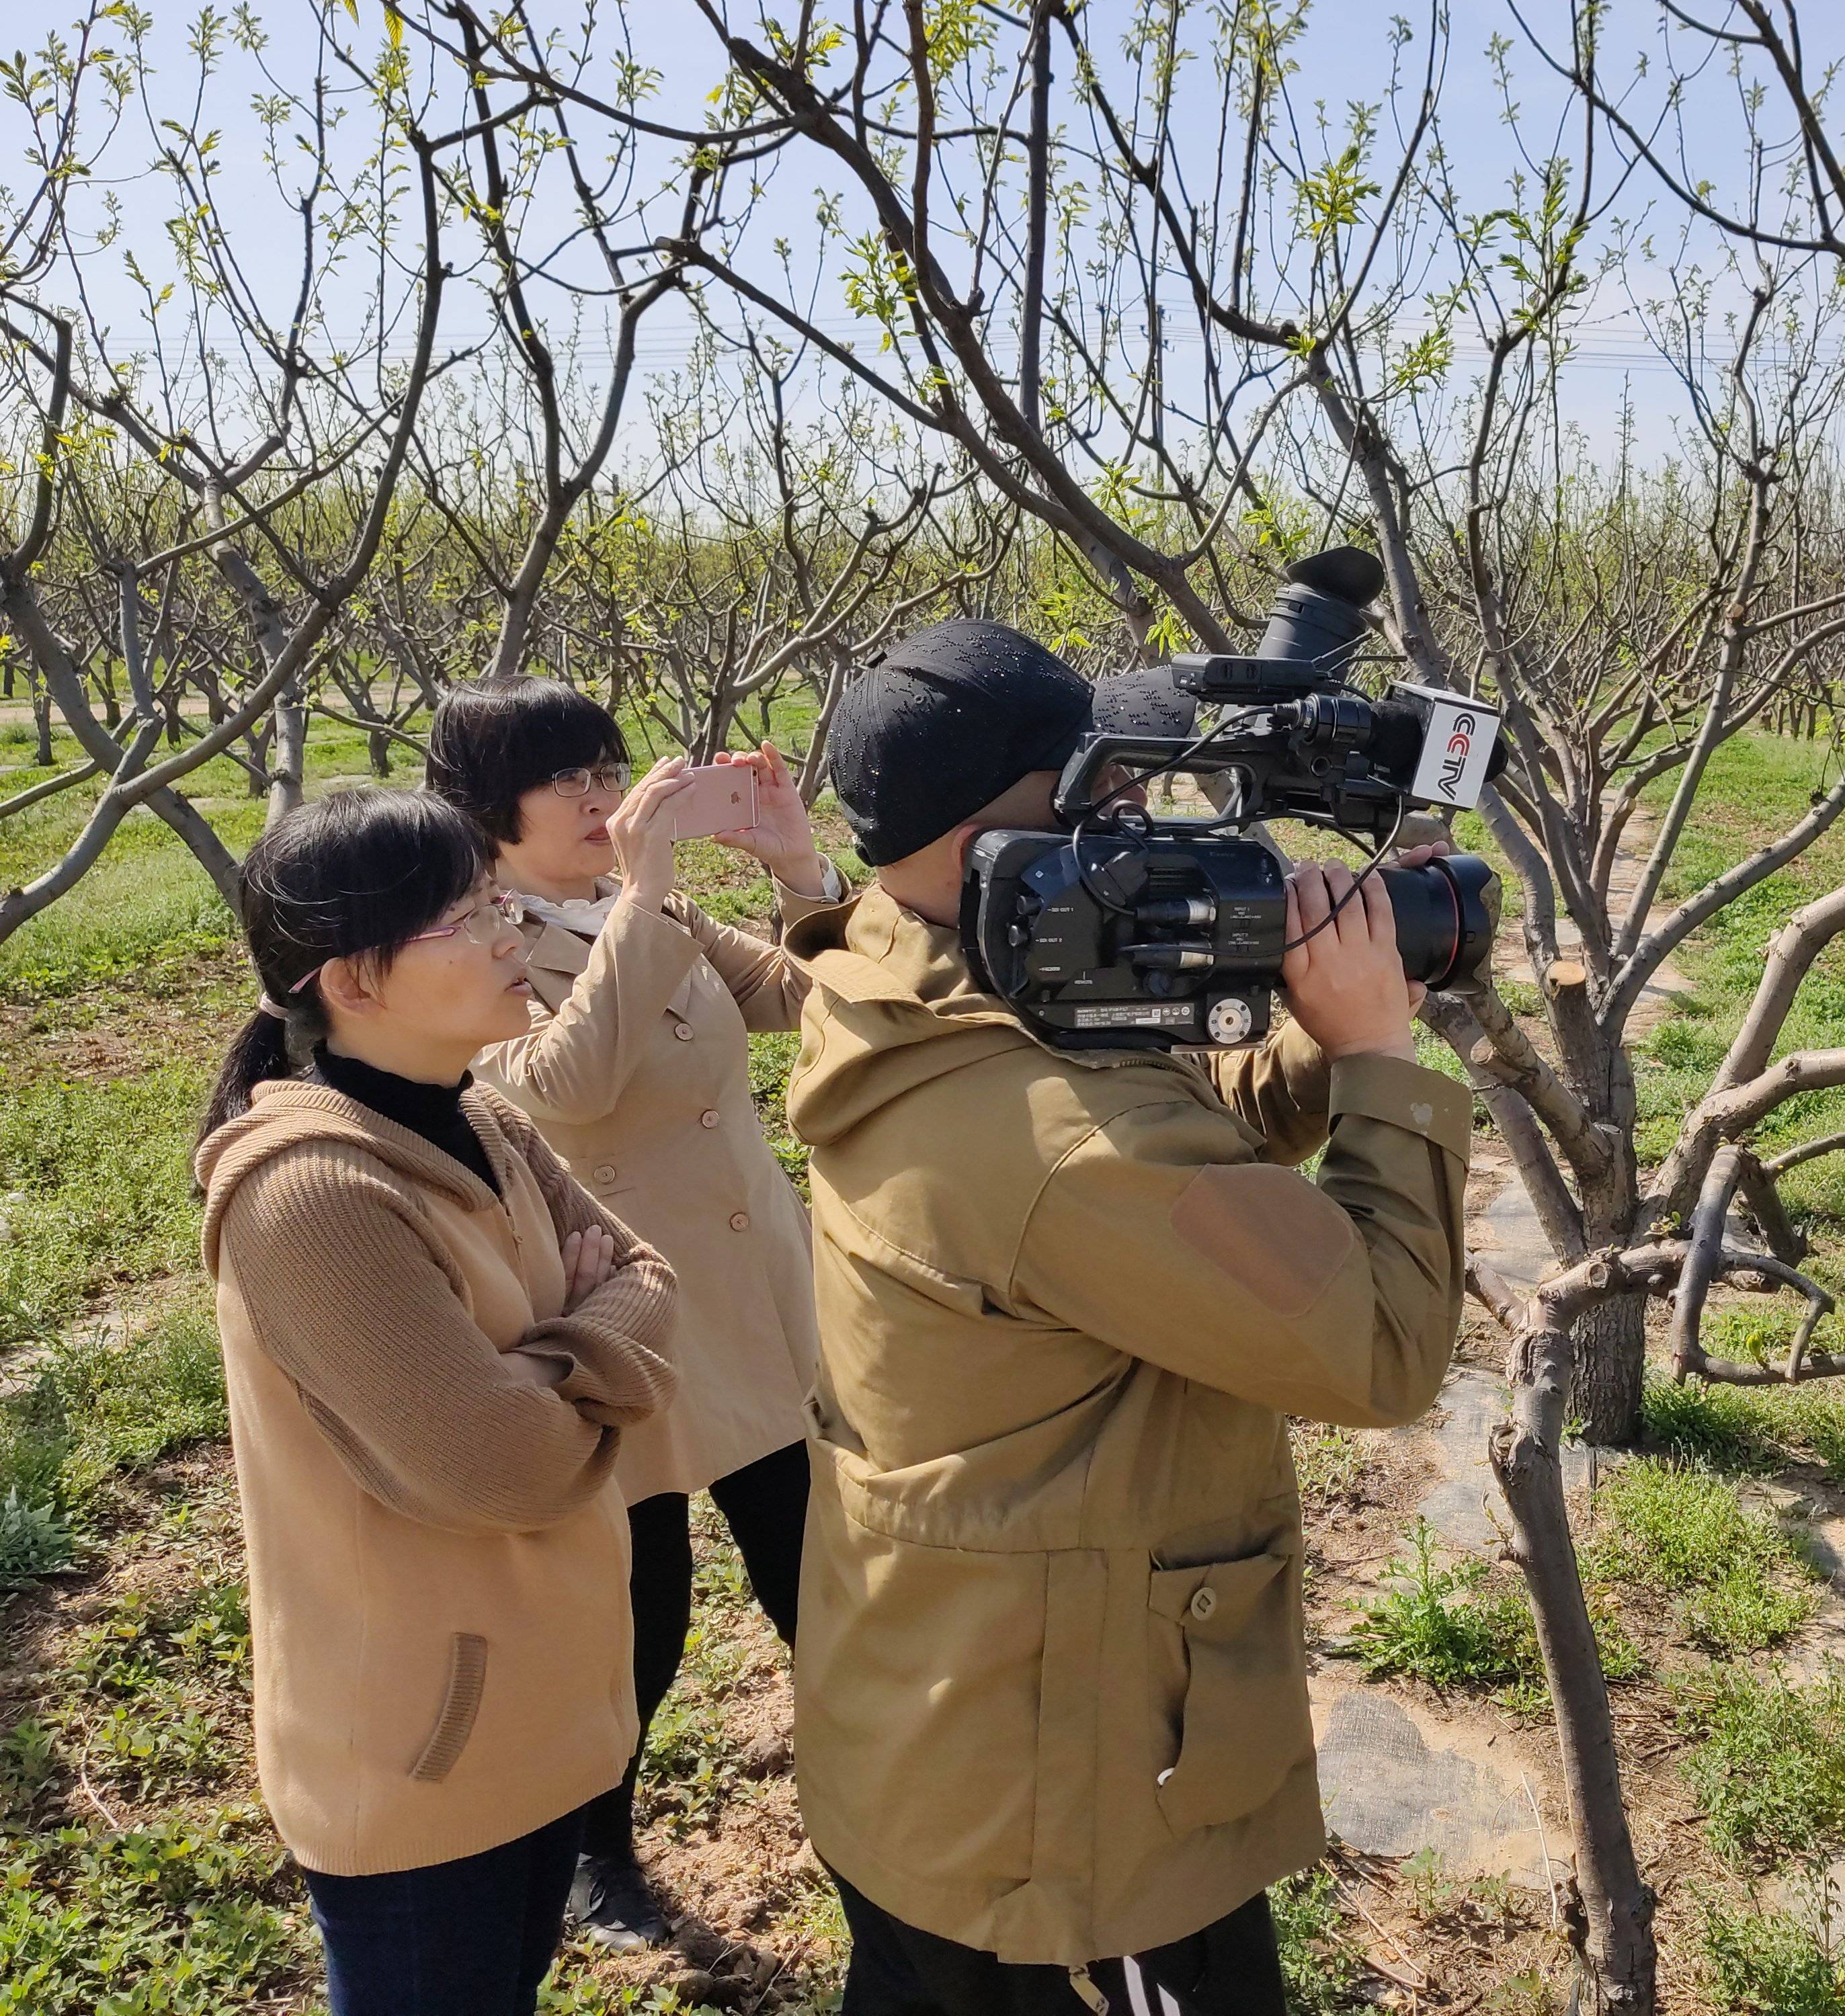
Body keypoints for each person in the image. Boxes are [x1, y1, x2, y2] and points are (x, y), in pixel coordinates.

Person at [778, 622, 1473, 2015]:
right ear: (999, 833)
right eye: (1102, 800)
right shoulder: (1057, 1149)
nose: (1132, 829)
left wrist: (1312, 1025)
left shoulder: (895, 973)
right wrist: (1383, 1056)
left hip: (931, 1738)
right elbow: (1383, 1345)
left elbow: (1173, 1139)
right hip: (1068, 1825)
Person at [194, 790, 679, 2016]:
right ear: (353, 978)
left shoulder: (484, 1114)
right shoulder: (311, 1196)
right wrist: (590, 1343)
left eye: (491, 898)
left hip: (534, 1706)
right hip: (422, 1758)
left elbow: (655, 1277)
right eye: (464, 915)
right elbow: (503, 1461)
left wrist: (553, 1360)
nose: (511, 925)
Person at [426, 678, 841, 1947]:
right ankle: (599, 1850)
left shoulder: (632, 904)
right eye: (572, 777)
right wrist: (652, 891)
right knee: (638, 1610)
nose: (608, 796)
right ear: (495, 811)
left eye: (612, 767)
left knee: (819, 1572)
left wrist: (800, 872)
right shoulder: (477, 945)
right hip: (631, 1316)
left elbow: (804, 997)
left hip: (758, 1294)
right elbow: (566, 1085)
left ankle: (877, 1808)